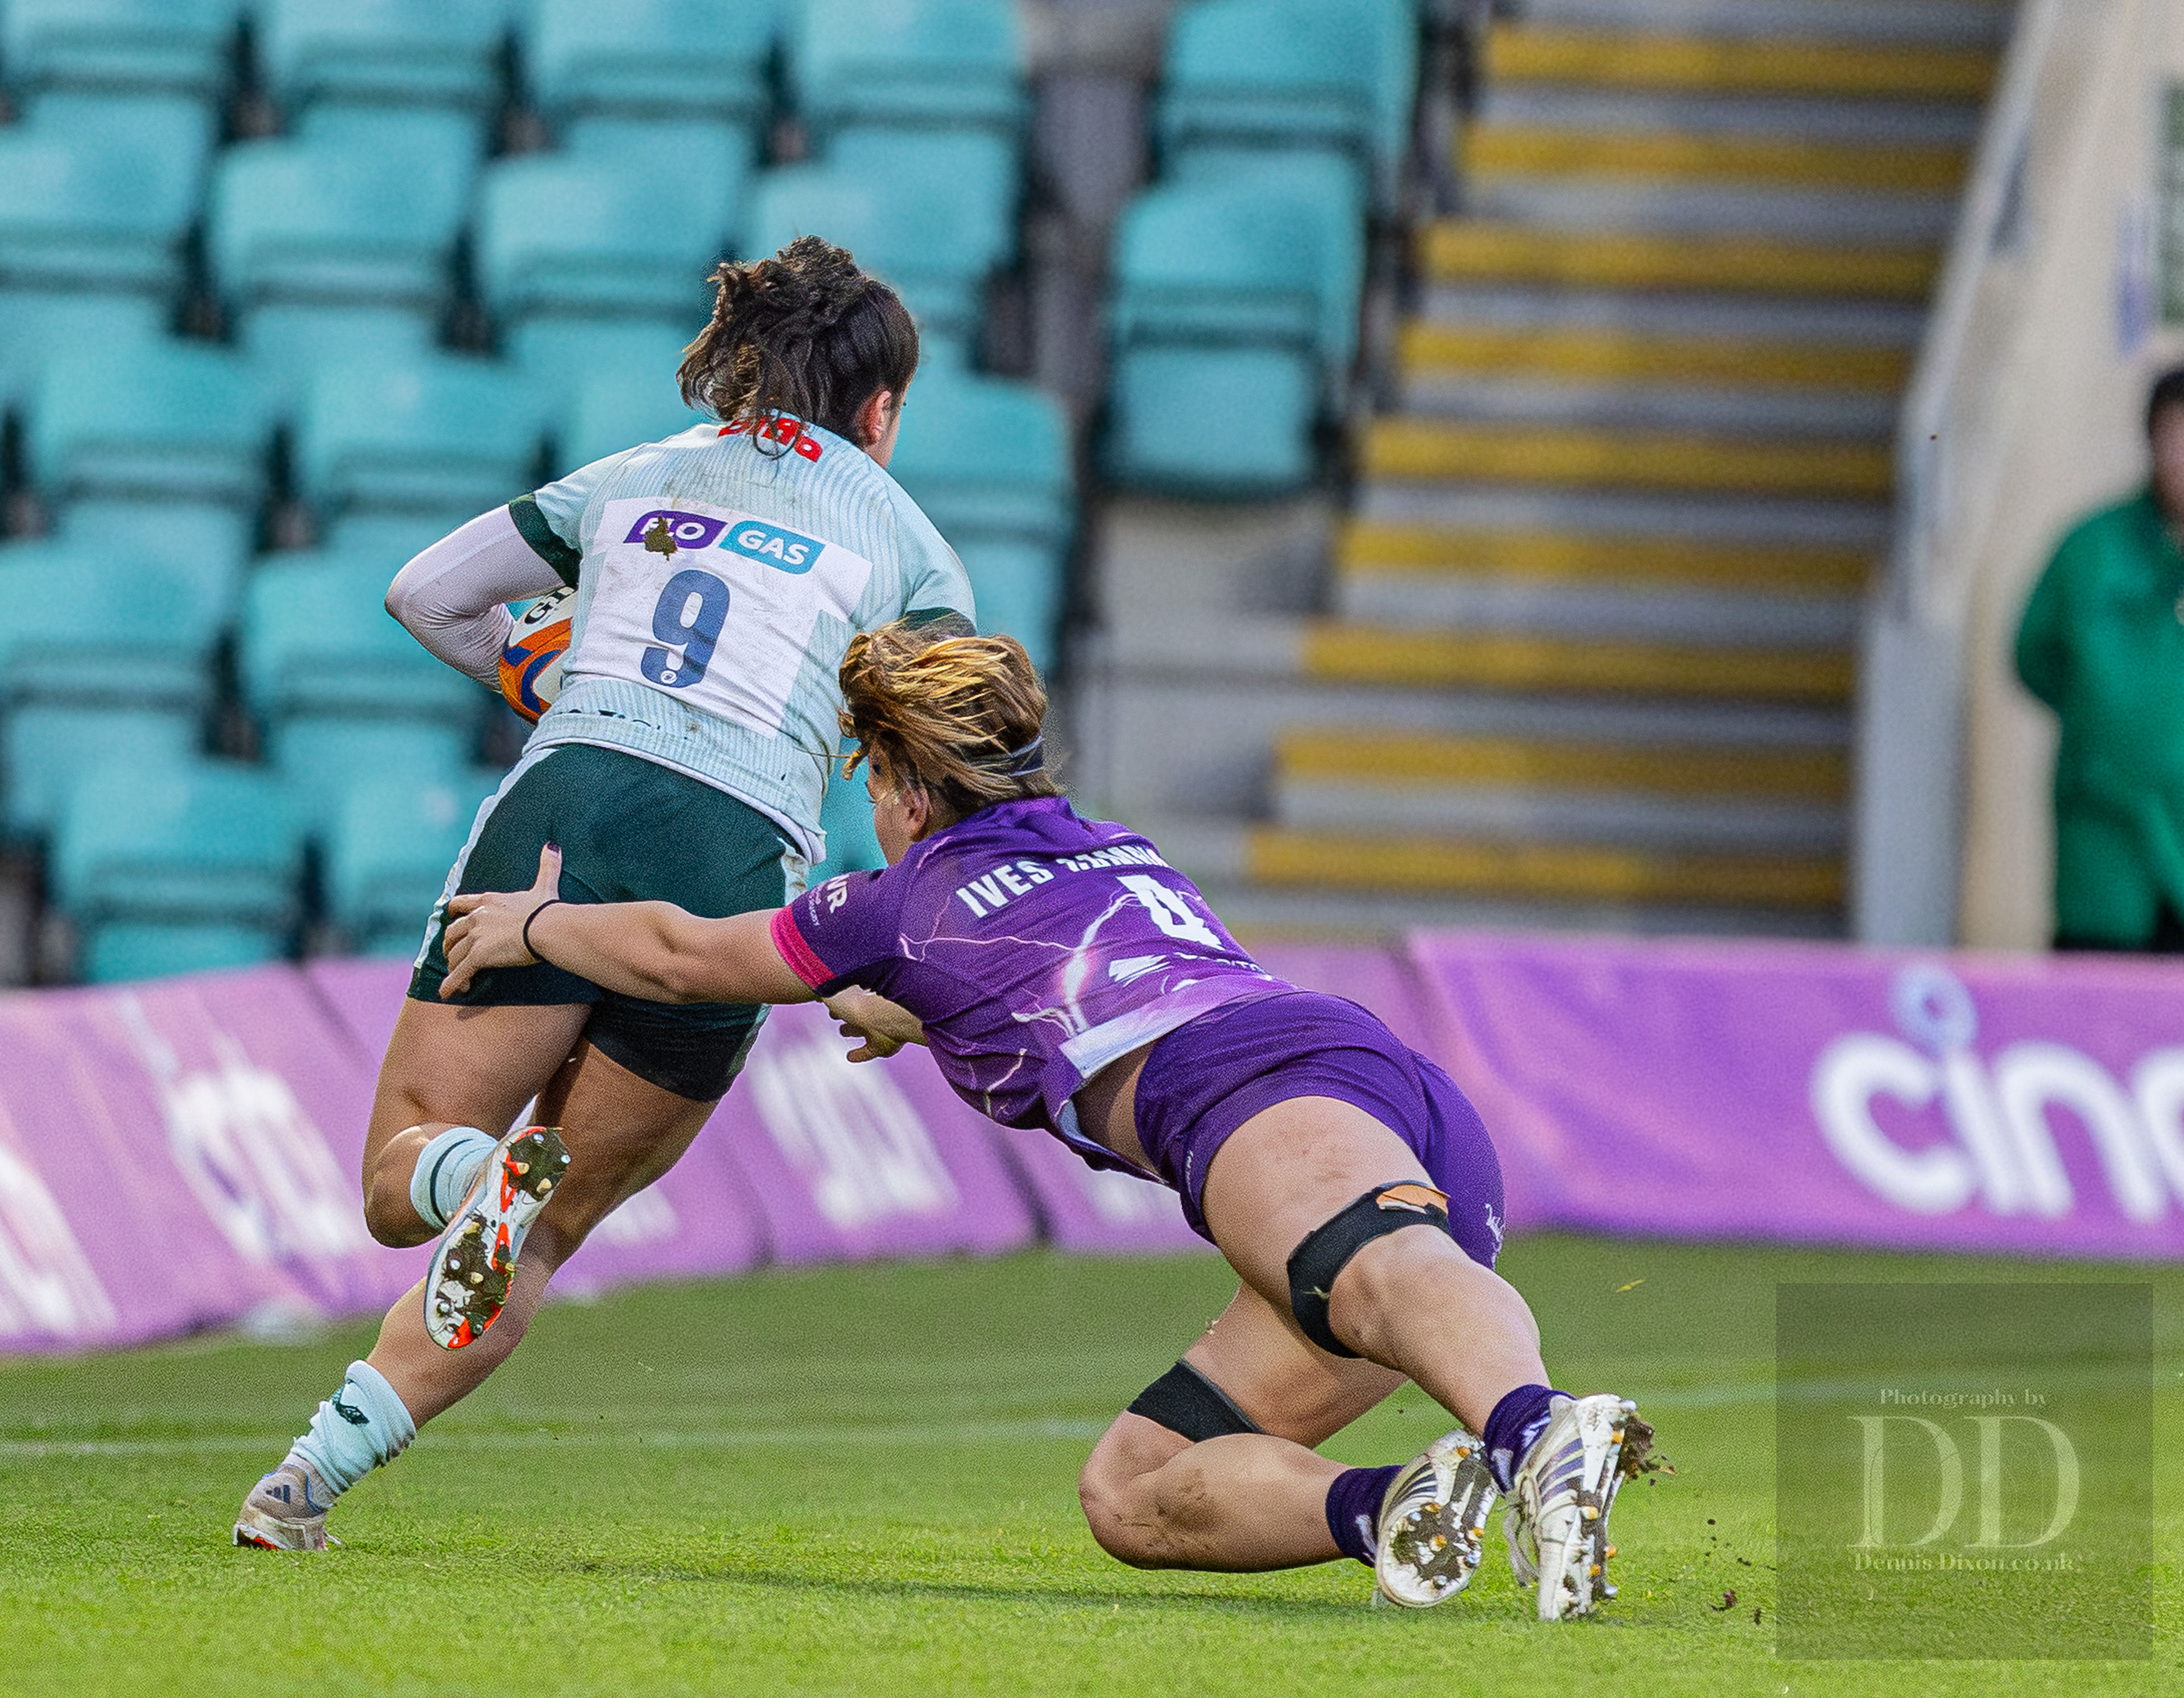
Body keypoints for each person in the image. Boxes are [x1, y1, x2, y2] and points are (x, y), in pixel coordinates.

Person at [437, 623, 1653, 1620]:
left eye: (875, 788)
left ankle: (1537, 1432)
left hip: (1241, 1085)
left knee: (1376, 1272)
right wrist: (920, 1015)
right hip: (1358, 1078)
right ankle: (1398, 1507)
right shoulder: (1104, 840)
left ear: (908, 792)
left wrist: (533, 927)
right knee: (1136, 1491)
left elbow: (680, 952)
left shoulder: (897, 901)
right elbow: (1067, 979)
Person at [232, 238, 977, 1551]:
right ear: (879, 409)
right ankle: (304, 1480)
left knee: (402, 1175)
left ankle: (472, 1170)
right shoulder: (913, 551)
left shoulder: (636, 473)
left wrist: (536, 676)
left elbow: (424, 594)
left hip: (567, 803)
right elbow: (933, 777)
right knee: (547, 1224)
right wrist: (890, 963)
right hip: (736, 852)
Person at [2017, 363, 2184, 951]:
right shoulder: (2092, 550)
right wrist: (2109, 730)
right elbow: (2033, 657)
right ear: (2151, 441)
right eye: (2176, 437)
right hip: (2106, 851)